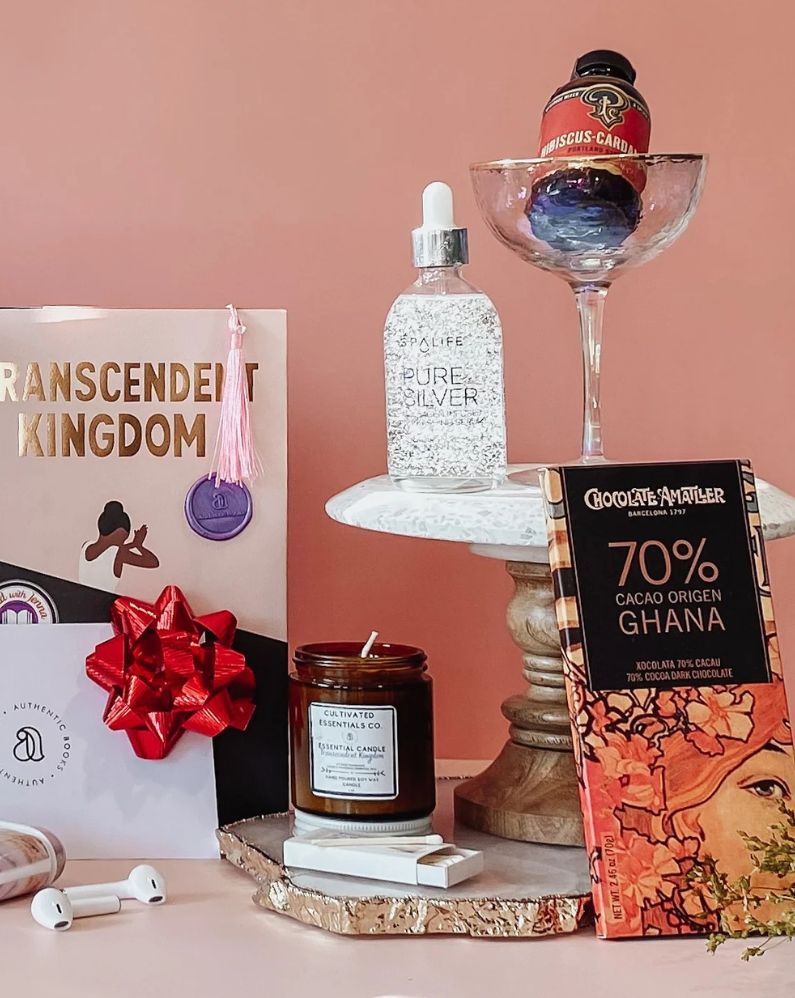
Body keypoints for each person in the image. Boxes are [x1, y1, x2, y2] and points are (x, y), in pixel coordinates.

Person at [79, 501, 159, 592]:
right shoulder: (119, 554)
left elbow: (106, 551)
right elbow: (153, 562)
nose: (121, 544)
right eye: (121, 540)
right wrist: (138, 546)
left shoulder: (86, 545)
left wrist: (133, 544)